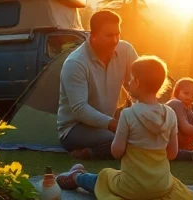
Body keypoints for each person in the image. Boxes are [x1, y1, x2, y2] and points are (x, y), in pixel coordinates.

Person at [56, 56, 193, 200]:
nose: (128, 83)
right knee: (172, 184)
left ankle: (76, 177)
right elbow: (172, 154)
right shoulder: (170, 114)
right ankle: (78, 174)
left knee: (105, 177)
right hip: (161, 187)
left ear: (136, 82)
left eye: (129, 80)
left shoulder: (128, 115)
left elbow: (116, 152)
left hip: (130, 187)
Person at [57, 10, 139, 160]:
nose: (115, 40)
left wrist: (146, 112)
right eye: (109, 35)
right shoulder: (76, 63)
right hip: (75, 127)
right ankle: (86, 153)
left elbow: (139, 84)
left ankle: (96, 148)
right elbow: (80, 109)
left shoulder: (125, 50)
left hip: (107, 122)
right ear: (93, 35)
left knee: (135, 137)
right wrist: (116, 125)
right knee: (116, 141)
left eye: (117, 34)